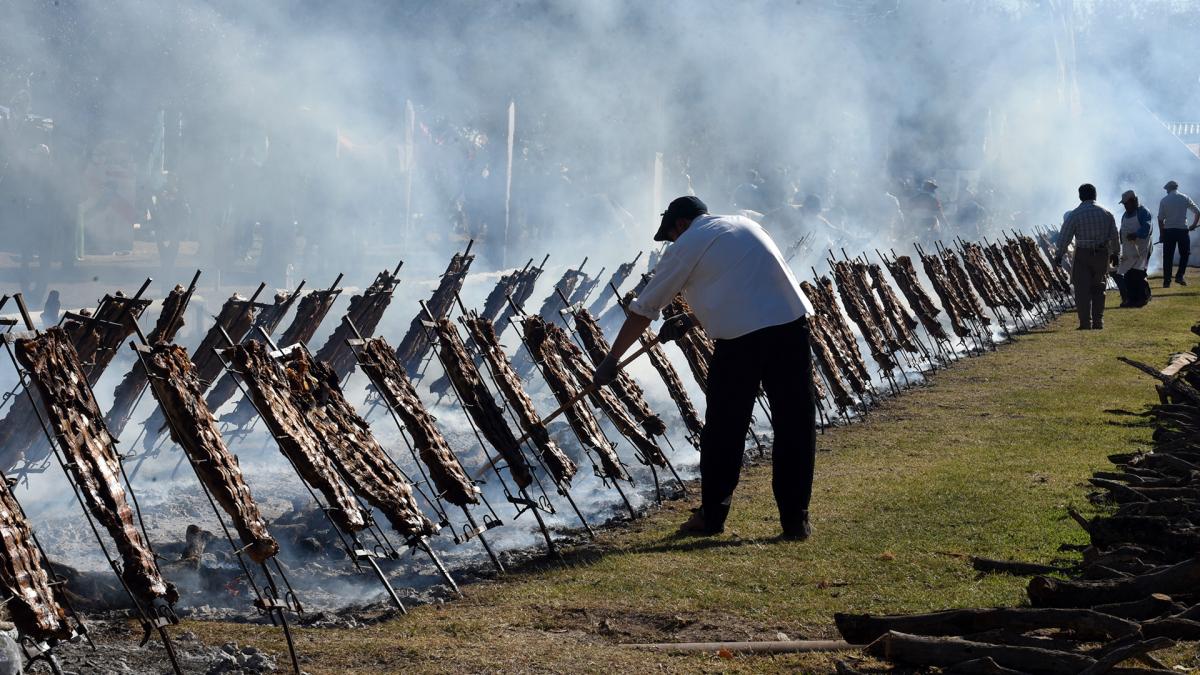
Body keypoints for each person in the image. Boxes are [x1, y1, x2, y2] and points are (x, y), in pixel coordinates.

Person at [594, 196, 816, 539]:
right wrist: (693, 318)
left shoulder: (687, 243)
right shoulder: (744, 224)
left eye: (670, 236)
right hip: (791, 326)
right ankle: (795, 519)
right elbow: (746, 284)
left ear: (680, 225)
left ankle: (712, 516)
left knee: (724, 430)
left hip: (742, 341)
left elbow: (644, 308)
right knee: (795, 425)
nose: (671, 243)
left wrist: (612, 360)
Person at [1054, 184, 1119, 330]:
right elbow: (1114, 235)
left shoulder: (1075, 214)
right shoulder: (1106, 213)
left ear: (1080, 196)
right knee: (1099, 287)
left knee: (1082, 290)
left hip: (1083, 254)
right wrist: (1116, 253)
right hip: (1101, 254)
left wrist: (1059, 254)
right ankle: (1098, 322)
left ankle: (1085, 323)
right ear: (1095, 195)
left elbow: (1065, 236)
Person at [1157, 180, 1200, 287]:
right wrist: (1194, 225)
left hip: (1168, 231)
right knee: (1185, 254)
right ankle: (1179, 276)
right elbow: (1198, 212)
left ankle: (1167, 281)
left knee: (1168, 257)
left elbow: (1160, 219)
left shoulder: (1164, 200)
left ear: (1168, 189)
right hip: (1182, 230)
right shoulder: (1184, 198)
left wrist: (1162, 234)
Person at [1114, 190, 1152, 308]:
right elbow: (1122, 230)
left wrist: (1136, 234)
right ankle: (1131, 299)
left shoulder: (1143, 212)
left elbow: (1147, 228)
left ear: (1134, 201)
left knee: (1138, 273)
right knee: (1128, 274)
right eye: (1124, 204)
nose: (1125, 206)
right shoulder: (1125, 215)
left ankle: (1142, 298)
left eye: (1126, 204)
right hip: (1128, 250)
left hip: (1142, 248)